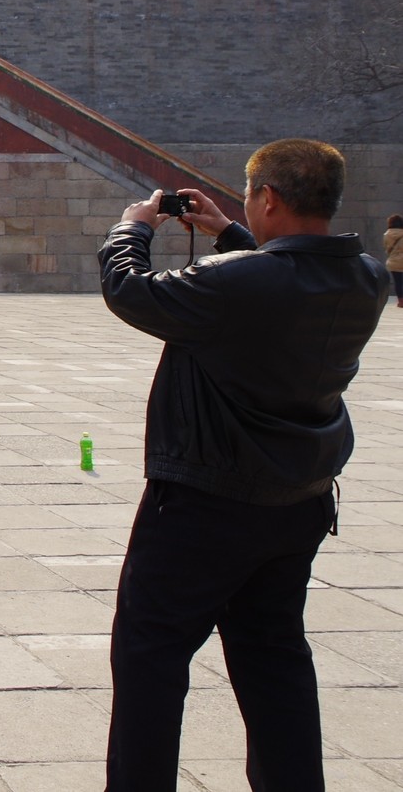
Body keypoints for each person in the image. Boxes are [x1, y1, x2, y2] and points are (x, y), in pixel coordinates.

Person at [97, 139, 388, 792]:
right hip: (297, 504)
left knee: (151, 658)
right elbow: (285, 278)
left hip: (206, 503)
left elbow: (129, 289)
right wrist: (229, 230)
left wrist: (132, 227)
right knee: (273, 658)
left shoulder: (241, 283)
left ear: (270, 198)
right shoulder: (367, 278)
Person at [386, 213, 403, 308]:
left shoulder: (386, 235)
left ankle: (401, 301)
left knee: (398, 282)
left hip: (393, 262)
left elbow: (386, 247)